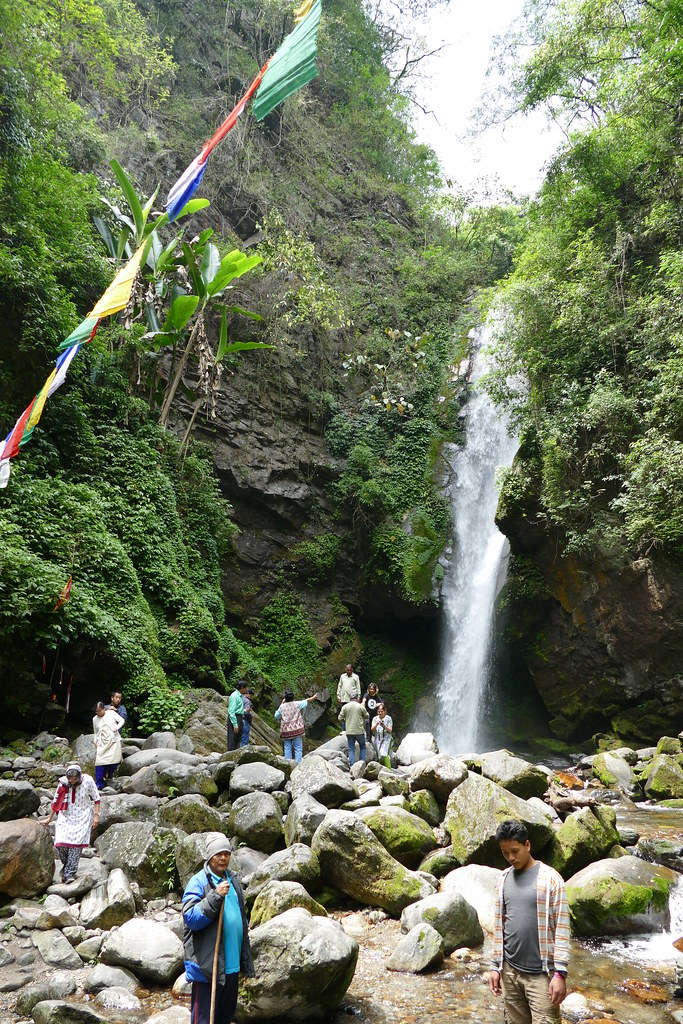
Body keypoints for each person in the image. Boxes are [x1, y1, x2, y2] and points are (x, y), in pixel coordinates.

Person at [489, 819, 570, 1024]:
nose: (510, 857)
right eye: (505, 852)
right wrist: (495, 966)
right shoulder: (503, 879)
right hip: (510, 971)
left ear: (527, 845)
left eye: (515, 851)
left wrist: (560, 974)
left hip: (542, 975)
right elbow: (500, 927)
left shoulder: (551, 879)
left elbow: (561, 928)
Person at [182, 836, 254, 1024]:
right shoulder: (199, 882)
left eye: (226, 854)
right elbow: (191, 918)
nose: (223, 858)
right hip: (208, 968)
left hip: (231, 966)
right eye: (218, 854)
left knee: (224, 1018)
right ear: (209, 857)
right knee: (204, 1020)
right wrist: (215, 896)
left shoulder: (233, 880)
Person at [43, 763, 100, 882]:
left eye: (75, 779)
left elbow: (96, 798)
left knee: (75, 846)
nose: (72, 781)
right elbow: (56, 801)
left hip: (82, 816)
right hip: (66, 815)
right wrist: (49, 818)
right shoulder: (63, 783)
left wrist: (96, 816)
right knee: (60, 843)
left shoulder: (88, 781)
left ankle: (69, 873)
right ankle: (67, 867)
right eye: (70, 779)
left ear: (79, 776)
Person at [275, 690, 319, 762]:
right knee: (298, 748)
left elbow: (276, 716)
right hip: (297, 730)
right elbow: (306, 701)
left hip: (286, 731)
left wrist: (281, 704)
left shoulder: (282, 707)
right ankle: (298, 764)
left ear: (285, 699)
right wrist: (313, 698)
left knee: (287, 747)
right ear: (293, 698)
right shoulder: (297, 704)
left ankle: (288, 764)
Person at [93, 701, 125, 790]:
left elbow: (122, 720)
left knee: (114, 761)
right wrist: (95, 741)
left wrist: (117, 728)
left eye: (100, 711)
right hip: (102, 742)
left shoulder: (111, 713)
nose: (99, 713)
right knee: (99, 762)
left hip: (113, 741)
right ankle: (99, 783)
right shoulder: (95, 719)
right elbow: (95, 732)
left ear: (104, 709)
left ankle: (108, 776)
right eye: (97, 712)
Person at [339, 696, 368, 766]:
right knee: (363, 746)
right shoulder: (360, 706)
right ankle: (361, 764)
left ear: (350, 698)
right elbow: (367, 716)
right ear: (357, 698)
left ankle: (352, 765)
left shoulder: (345, 707)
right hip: (359, 731)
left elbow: (340, 718)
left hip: (349, 731)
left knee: (351, 748)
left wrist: (345, 722)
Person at [227, 680, 248, 751]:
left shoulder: (239, 696)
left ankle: (235, 756)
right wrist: (235, 724)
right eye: (245, 688)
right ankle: (229, 756)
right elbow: (231, 711)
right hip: (235, 718)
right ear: (242, 687)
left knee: (238, 738)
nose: (245, 690)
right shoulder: (234, 696)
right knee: (232, 738)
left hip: (239, 717)